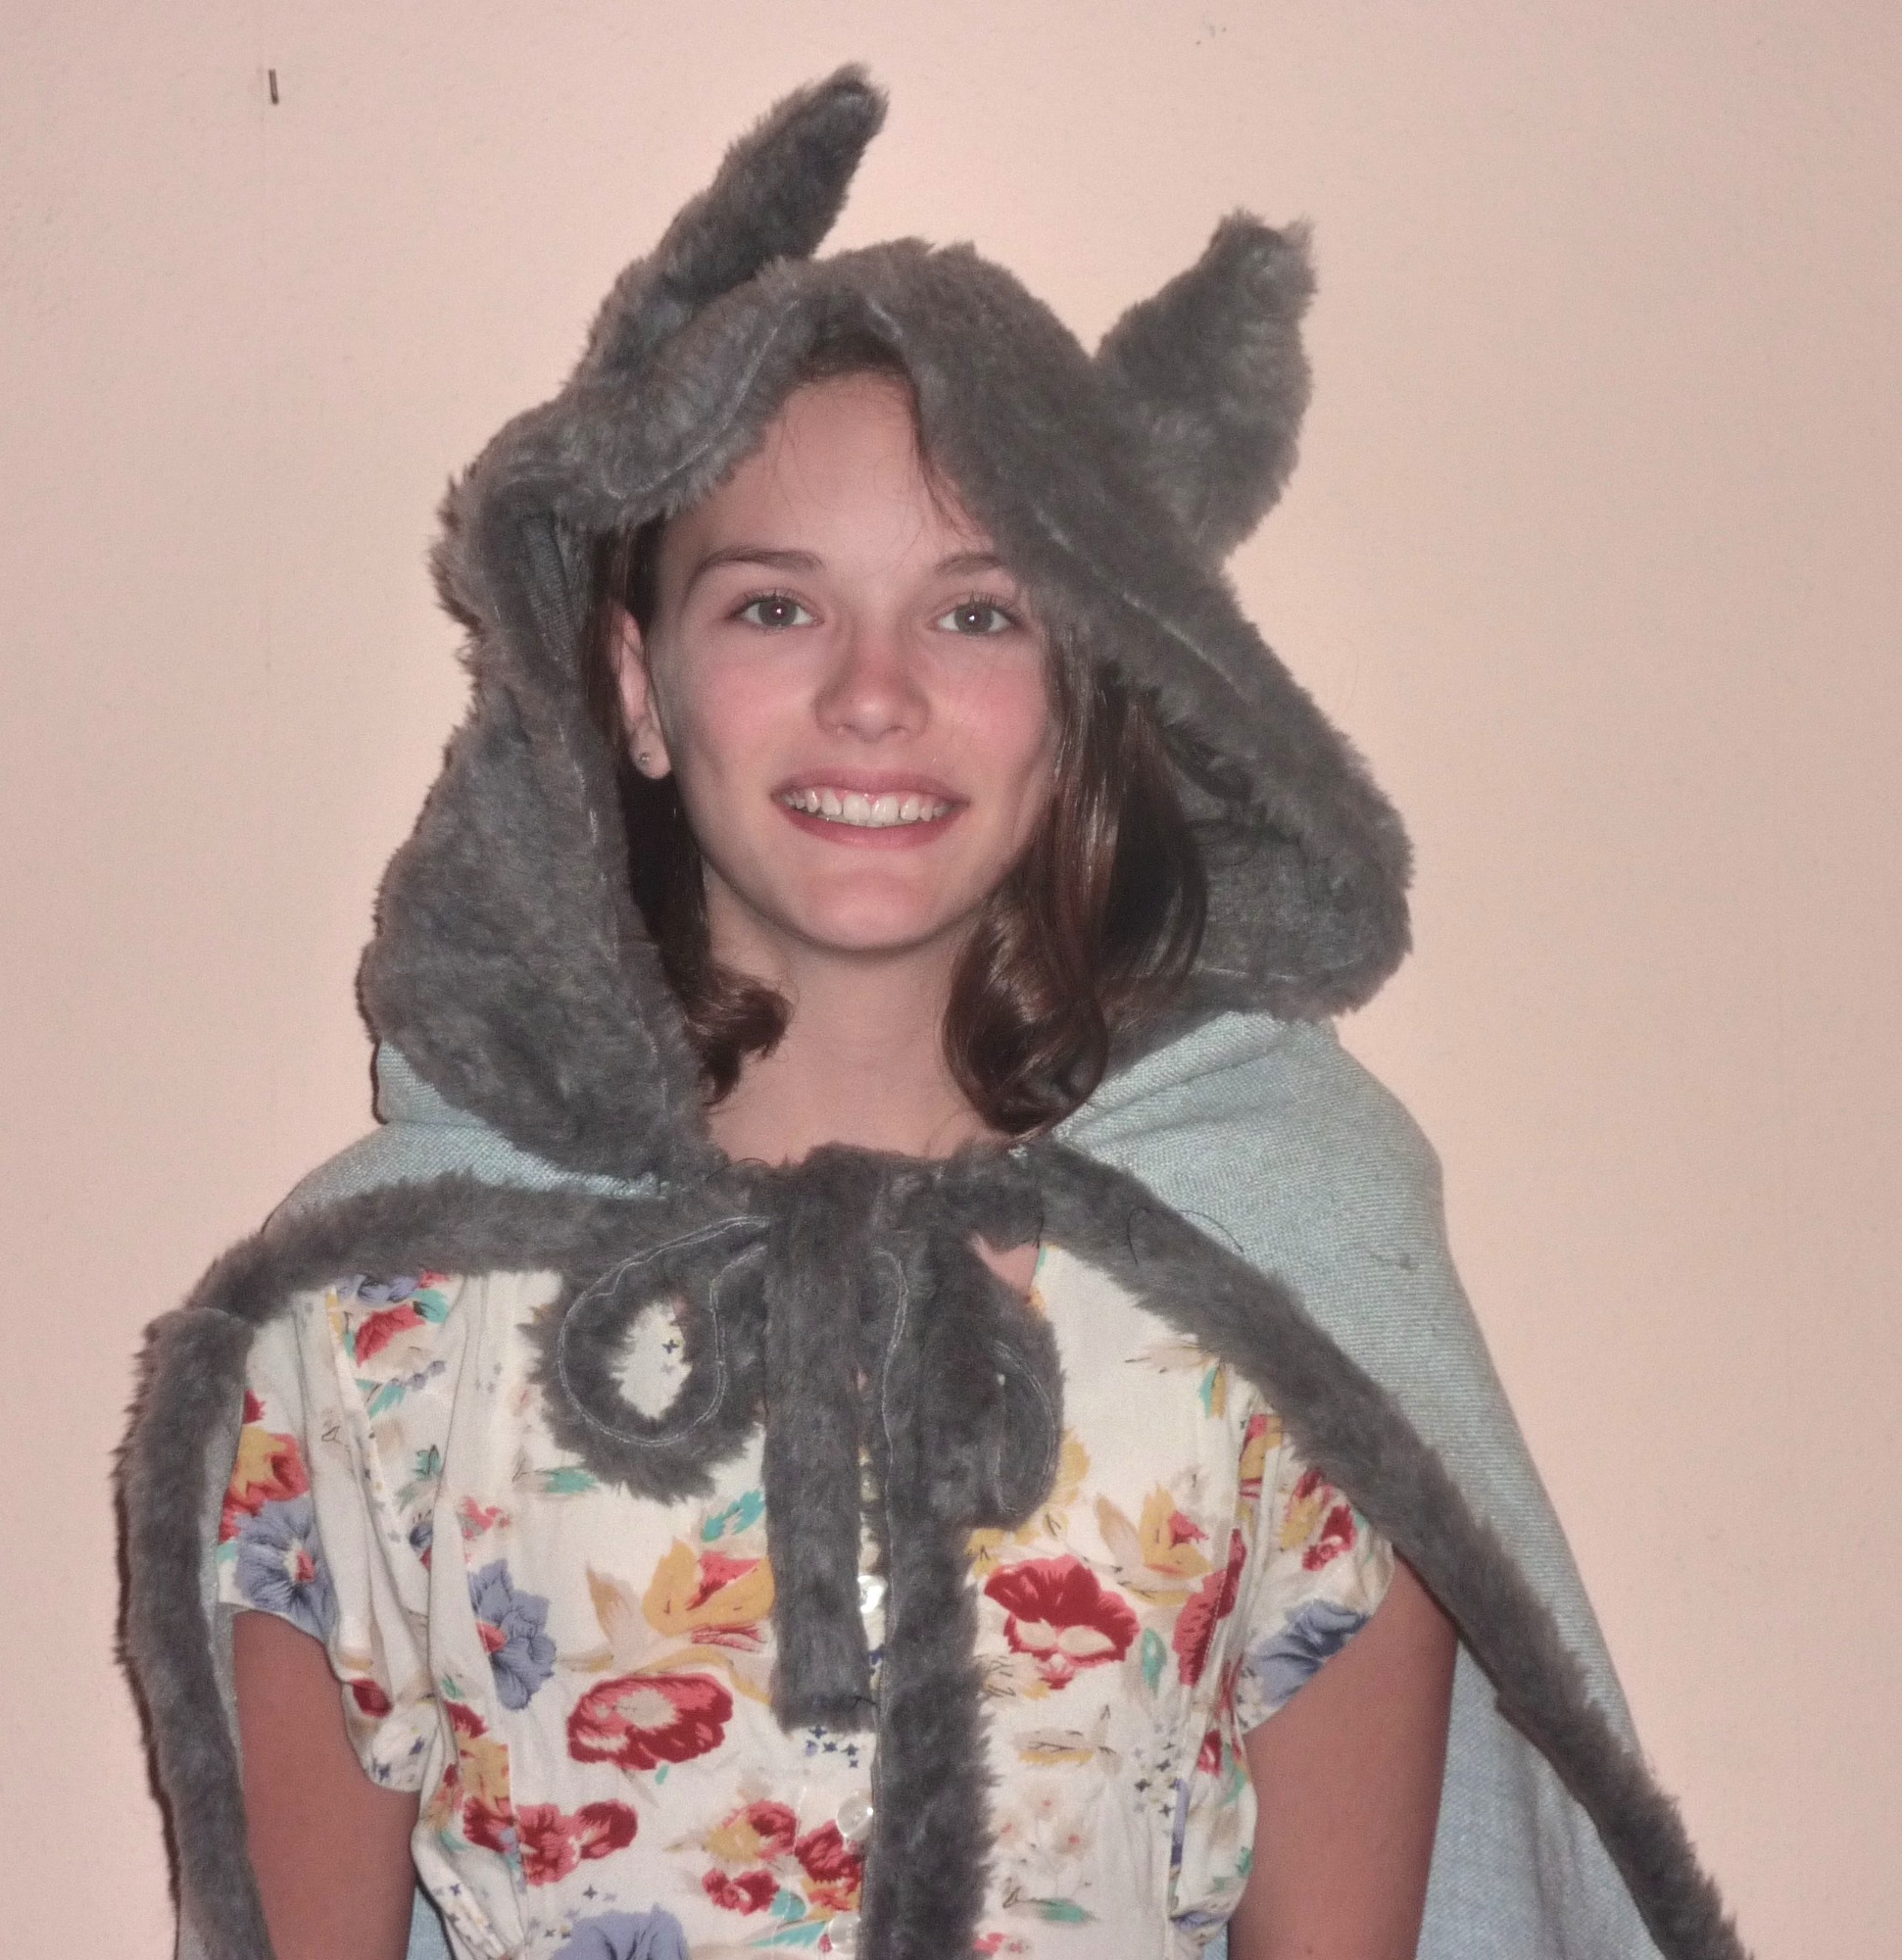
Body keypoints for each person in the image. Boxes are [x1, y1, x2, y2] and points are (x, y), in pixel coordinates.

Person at [121, 69, 1743, 1960]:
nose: (875, 694)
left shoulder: (1286, 1308)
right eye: (775, 608)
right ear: (636, 687)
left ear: (1082, 690)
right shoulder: (380, 1322)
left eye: (976, 613)